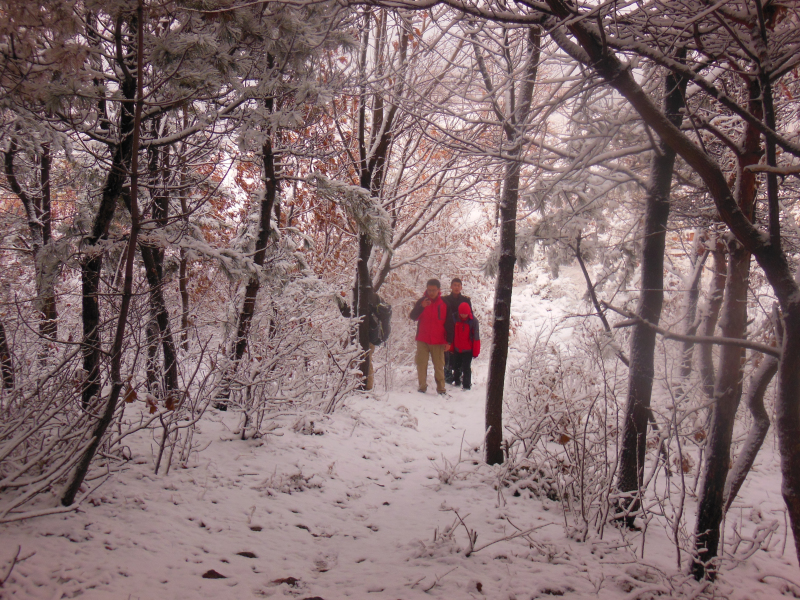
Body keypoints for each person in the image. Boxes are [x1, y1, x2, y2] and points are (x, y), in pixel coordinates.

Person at [409, 279, 453, 394]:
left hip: (438, 341)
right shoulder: (422, 301)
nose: (431, 293)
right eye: (429, 290)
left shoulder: (445, 303)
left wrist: (449, 341)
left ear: (439, 290)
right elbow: (413, 316)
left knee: (439, 366)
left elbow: (449, 323)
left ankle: (441, 389)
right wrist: (421, 307)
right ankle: (422, 387)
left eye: (434, 290)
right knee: (421, 364)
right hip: (422, 339)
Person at [442, 278, 471, 384]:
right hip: (448, 330)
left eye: (458, 285)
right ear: (451, 286)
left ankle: (458, 376)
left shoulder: (466, 300)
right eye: (454, 285)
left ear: (461, 287)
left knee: (460, 353)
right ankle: (448, 376)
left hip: (462, 332)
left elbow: (470, 317)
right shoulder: (445, 299)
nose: (456, 287)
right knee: (448, 354)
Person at [450, 302, 480, 390]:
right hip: (457, 349)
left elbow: (476, 338)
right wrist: (451, 347)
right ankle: (457, 382)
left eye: (465, 313)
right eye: (462, 313)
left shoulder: (473, 321)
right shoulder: (454, 319)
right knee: (456, 366)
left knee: (466, 368)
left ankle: (466, 385)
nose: (463, 315)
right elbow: (452, 334)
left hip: (468, 350)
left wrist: (475, 352)